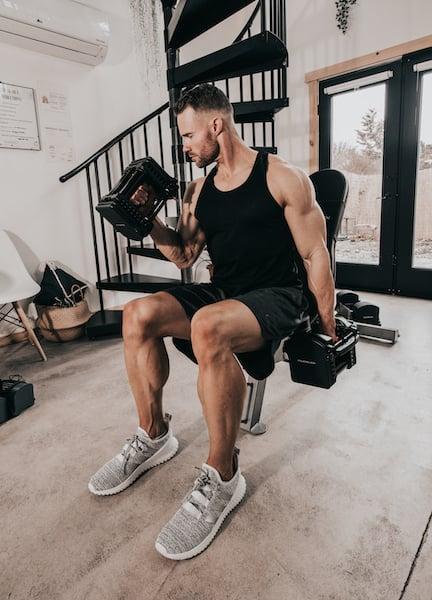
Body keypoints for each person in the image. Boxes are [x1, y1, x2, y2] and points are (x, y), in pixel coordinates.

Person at [88, 83, 337, 561]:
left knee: (206, 325)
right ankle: (153, 434)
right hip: (225, 292)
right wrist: (146, 222)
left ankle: (223, 474)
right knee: (138, 313)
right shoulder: (198, 190)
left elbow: (315, 254)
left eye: (187, 135)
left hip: (278, 294)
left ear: (216, 125)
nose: (183, 147)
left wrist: (327, 325)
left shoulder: (282, 177)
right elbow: (184, 253)